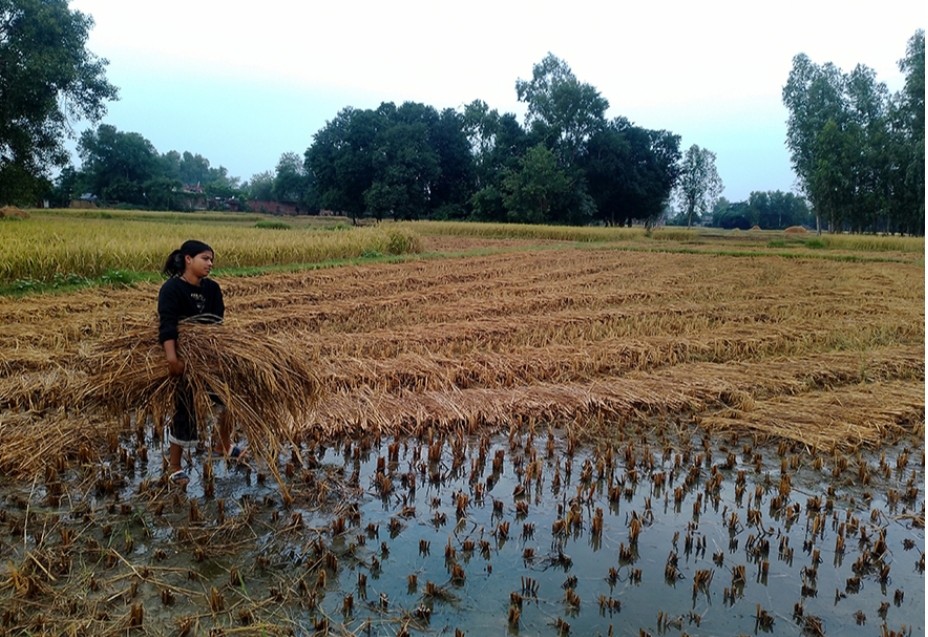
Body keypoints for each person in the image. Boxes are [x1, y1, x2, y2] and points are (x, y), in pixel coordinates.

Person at [158, 239, 243, 486]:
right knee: (185, 410)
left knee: (230, 399)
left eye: (211, 259)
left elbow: (216, 326)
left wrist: (217, 356)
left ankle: (223, 444)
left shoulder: (212, 289)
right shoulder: (172, 289)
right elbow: (168, 325)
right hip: (184, 359)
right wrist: (172, 359)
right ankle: (175, 465)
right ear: (188, 259)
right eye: (205, 258)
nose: (210, 263)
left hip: (210, 357)